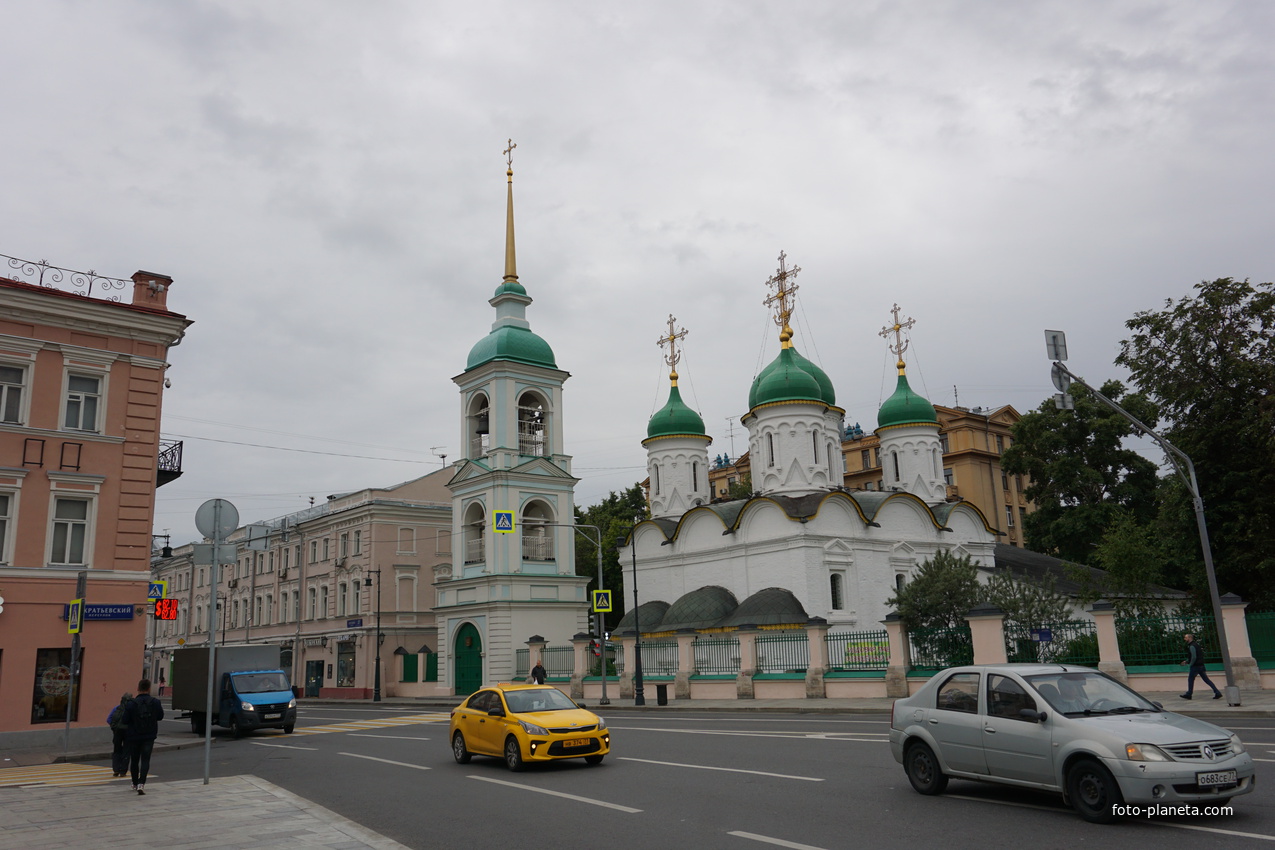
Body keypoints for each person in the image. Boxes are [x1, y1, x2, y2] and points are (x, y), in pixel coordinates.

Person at [122, 678, 164, 794]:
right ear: (149, 688)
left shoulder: (131, 703)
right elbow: (160, 717)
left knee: (134, 760)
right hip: (149, 736)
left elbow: (124, 720)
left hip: (134, 736)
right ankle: (141, 783)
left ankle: (134, 783)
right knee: (145, 760)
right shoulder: (155, 702)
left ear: (138, 688)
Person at [1180, 633, 1222, 700]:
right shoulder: (1196, 645)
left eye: (1186, 638)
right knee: (1206, 680)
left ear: (1190, 638)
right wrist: (1187, 661)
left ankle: (1189, 694)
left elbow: (1194, 657)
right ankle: (1217, 692)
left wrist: (1190, 664)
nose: (1185, 639)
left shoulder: (1192, 646)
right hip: (1201, 665)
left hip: (1195, 666)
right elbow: (1195, 655)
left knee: (1190, 679)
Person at [106, 692, 132, 777]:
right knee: (126, 751)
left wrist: (114, 727)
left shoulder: (117, 708)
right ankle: (123, 771)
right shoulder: (131, 709)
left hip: (117, 732)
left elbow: (109, 719)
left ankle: (116, 769)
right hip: (128, 732)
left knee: (117, 750)